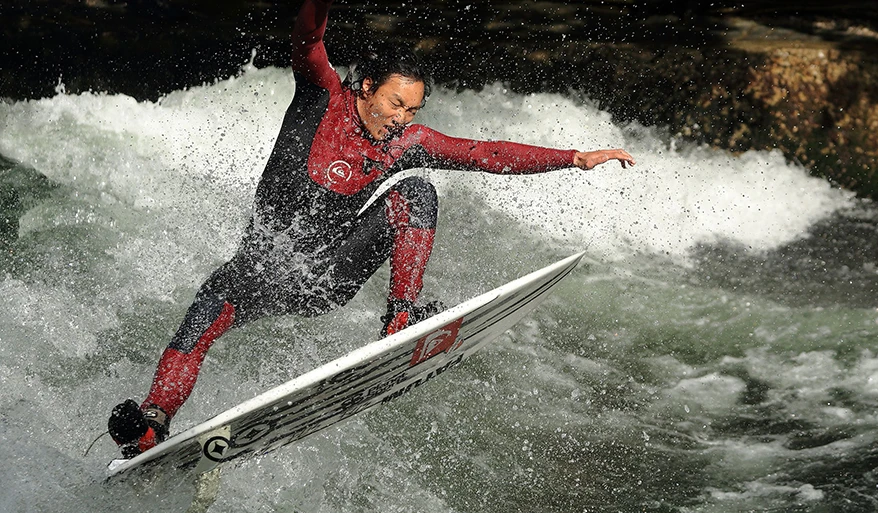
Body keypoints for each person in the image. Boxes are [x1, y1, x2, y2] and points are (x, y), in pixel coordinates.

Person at [107, 0, 636, 459]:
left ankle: (399, 319)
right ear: (365, 87)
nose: (403, 118)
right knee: (203, 314)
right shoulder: (321, 96)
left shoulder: (404, 143)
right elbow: (308, 38)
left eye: (413, 109)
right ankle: (153, 424)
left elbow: (485, 153)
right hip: (261, 270)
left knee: (417, 193)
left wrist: (575, 157)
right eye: (395, 103)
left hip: (328, 277)